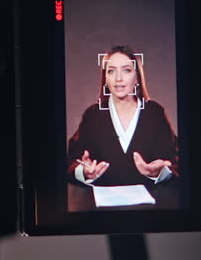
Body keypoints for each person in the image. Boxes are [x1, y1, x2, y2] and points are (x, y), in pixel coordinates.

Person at [66, 45, 179, 195]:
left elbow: (176, 161)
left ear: (137, 76)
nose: (118, 78)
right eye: (111, 71)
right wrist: (84, 171)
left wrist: (159, 171)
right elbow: (70, 162)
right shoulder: (93, 115)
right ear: (105, 78)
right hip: (102, 211)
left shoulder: (154, 113)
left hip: (150, 209)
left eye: (126, 70)